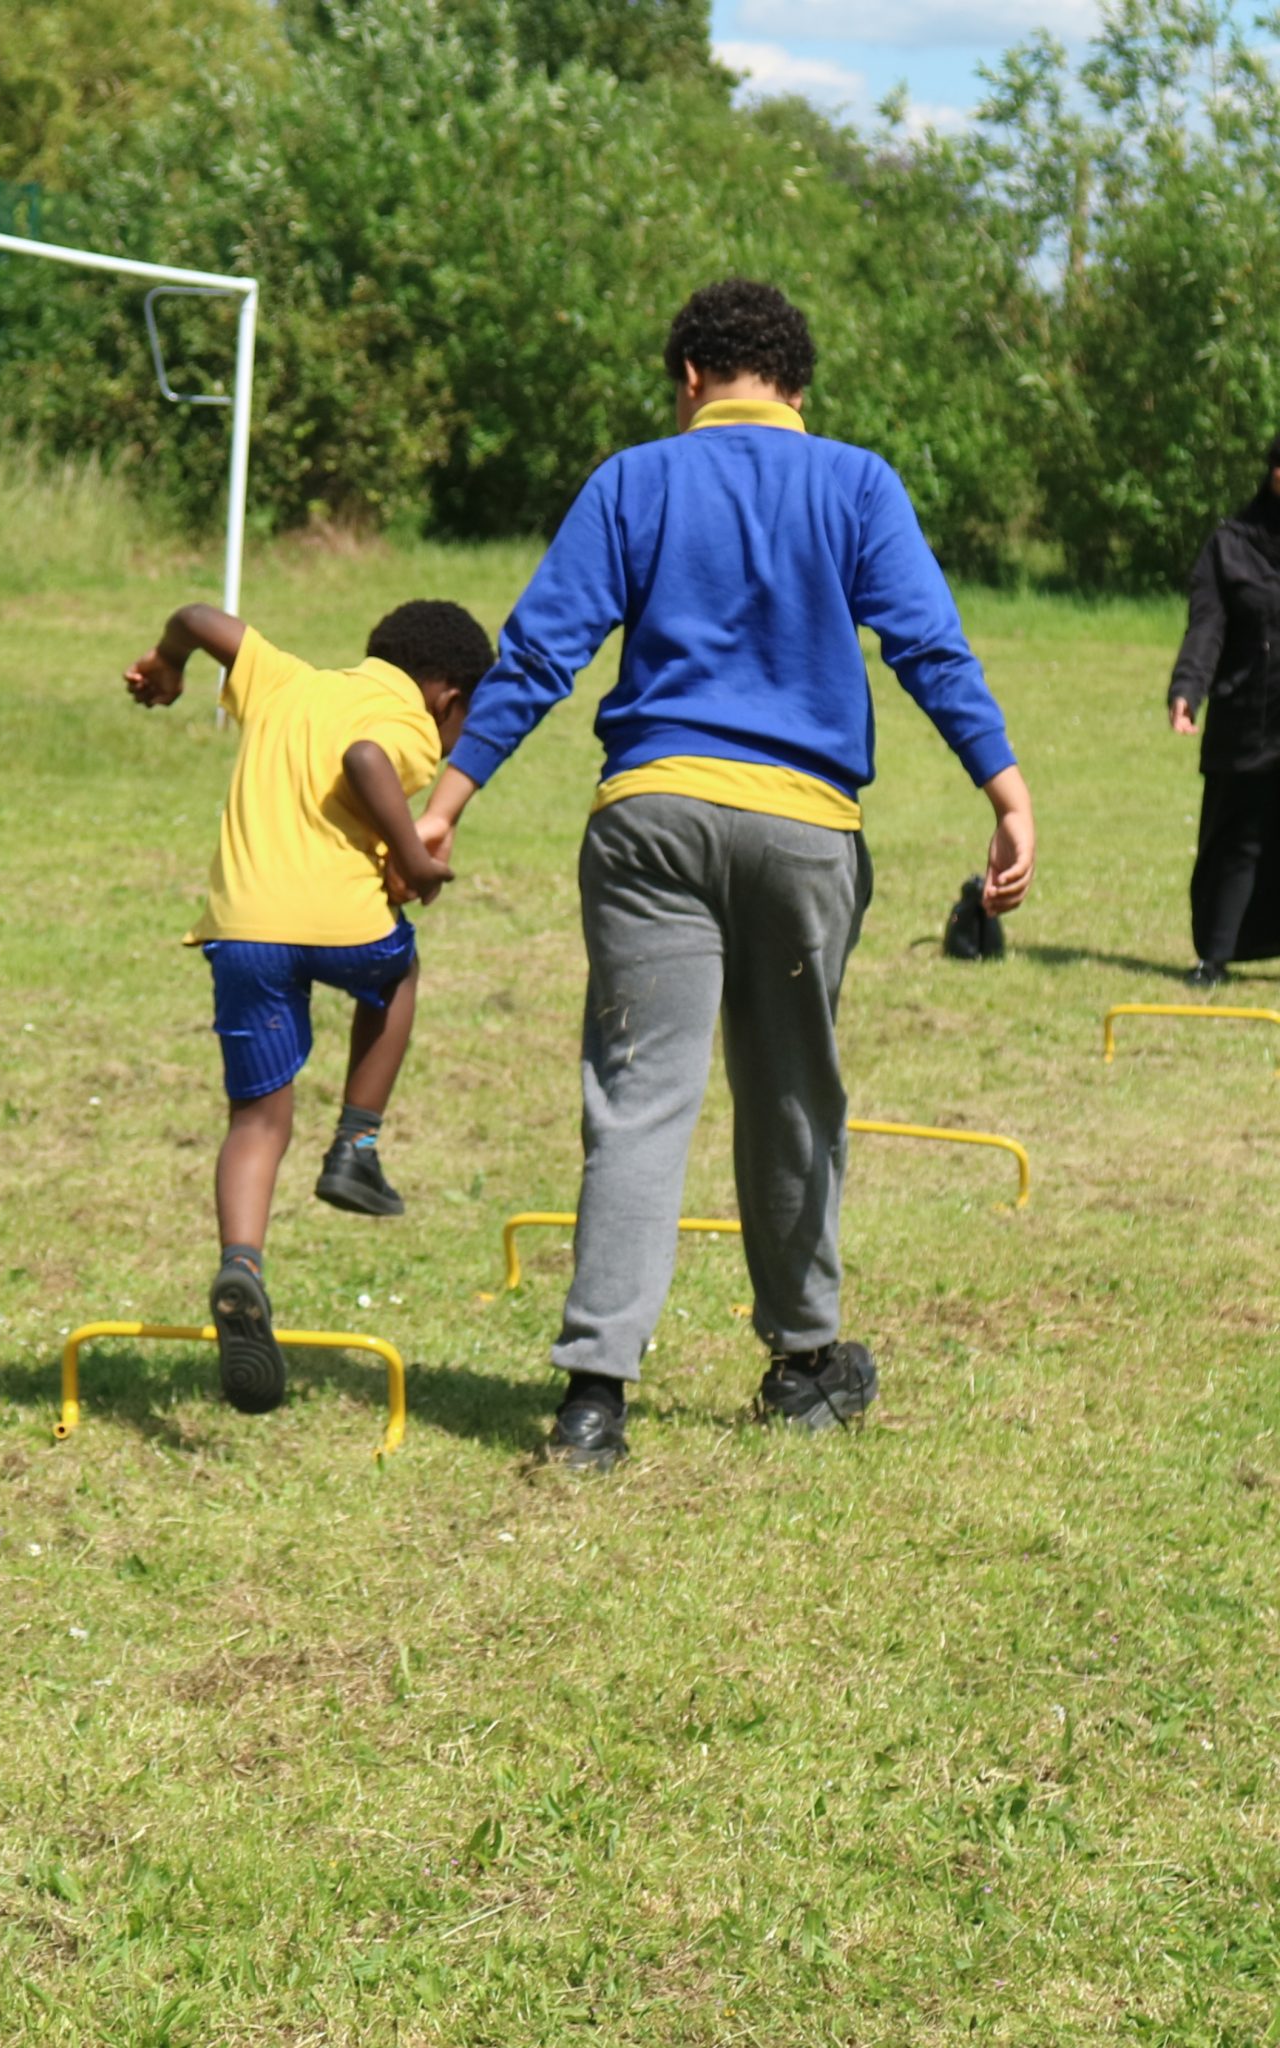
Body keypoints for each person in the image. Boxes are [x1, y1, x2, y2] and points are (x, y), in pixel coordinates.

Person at [405, 278, 1036, 1472]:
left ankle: (593, 1399)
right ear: (796, 386)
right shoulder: (856, 483)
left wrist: (443, 804)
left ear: (688, 378)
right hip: (801, 831)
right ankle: (803, 1363)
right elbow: (926, 646)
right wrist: (1002, 789)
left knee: (638, 1097)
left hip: (649, 821)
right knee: (792, 1094)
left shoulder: (632, 481)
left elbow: (539, 651)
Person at [123, 599, 494, 1412]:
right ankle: (356, 1146)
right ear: (448, 697)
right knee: (397, 976)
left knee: (257, 1119)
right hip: (343, 928)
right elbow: (365, 759)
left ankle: (241, 1265)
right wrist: (411, 857)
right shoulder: (407, 719)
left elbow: (197, 615)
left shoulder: (286, 680)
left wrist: (167, 662)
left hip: (244, 932)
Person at [1168, 430, 1280, 986]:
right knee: (1235, 839)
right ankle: (1214, 957)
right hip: (1248, 719)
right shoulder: (1230, 546)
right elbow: (1207, 627)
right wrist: (1188, 690)